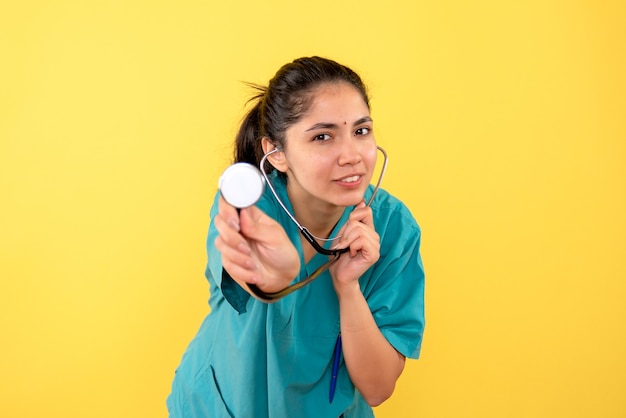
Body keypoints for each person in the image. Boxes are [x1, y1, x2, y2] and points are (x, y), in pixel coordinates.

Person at [167, 56, 425, 418]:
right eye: (323, 136)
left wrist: (348, 287)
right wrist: (278, 274)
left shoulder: (395, 229)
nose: (351, 155)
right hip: (221, 404)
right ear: (277, 155)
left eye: (361, 131)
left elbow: (378, 387)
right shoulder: (248, 206)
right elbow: (256, 280)